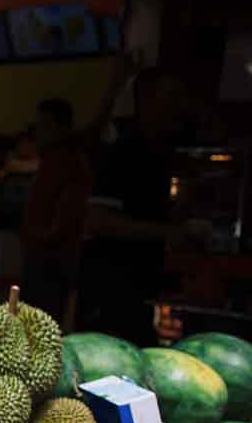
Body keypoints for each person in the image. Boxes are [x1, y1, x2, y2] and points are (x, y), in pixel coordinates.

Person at [81, 67, 193, 343]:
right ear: (146, 100)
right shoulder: (123, 152)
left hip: (142, 288)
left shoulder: (162, 153)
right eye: (171, 97)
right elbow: (98, 221)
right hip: (110, 290)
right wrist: (169, 232)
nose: (179, 106)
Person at [20, 98, 91, 330]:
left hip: (52, 261)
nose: (38, 132)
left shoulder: (69, 161)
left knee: (43, 324)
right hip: (39, 256)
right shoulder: (49, 159)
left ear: (60, 128)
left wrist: (45, 236)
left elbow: (69, 209)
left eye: (44, 125)